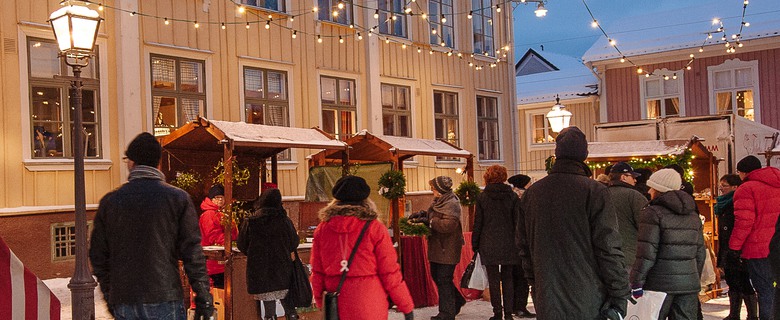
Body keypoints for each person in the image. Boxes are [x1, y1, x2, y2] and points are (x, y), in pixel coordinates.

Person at [89, 132, 213, 320]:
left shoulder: (110, 202)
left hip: (125, 299)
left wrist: (110, 295)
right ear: (158, 163)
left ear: (132, 163)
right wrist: (203, 296)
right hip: (165, 296)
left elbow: (98, 256)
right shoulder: (177, 199)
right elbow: (192, 252)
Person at [517, 126, 629, 319]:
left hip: (548, 295)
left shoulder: (533, 193)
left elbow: (523, 246)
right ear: (584, 154)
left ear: (557, 154)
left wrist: (535, 283)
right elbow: (608, 246)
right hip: (588, 296)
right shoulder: (594, 191)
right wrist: (619, 293)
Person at [310, 175, 414, 320]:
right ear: (365, 200)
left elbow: (317, 272)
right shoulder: (374, 228)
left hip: (337, 304)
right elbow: (390, 272)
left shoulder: (322, 229)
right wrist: (406, 306)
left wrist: (323, 304)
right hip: (369, 304)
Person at [629, 168, 705, 320]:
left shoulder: (652, 213)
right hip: (688, 285)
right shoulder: (692, 215)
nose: (649, 190)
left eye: (652, 187)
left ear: (659, 189)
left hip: (659, 284)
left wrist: (637, 282)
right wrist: (692, 277)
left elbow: (646, 252)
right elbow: (700, 253)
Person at [729, 155, 780, 320]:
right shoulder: (777, 184)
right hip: (777, 245)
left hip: (759, 248)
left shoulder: (746, 189)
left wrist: (734, 248)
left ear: (743, 172)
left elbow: (744, 222)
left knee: (765, 291)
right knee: (775, 289)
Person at [238, 188, 300, 320]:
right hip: (283, 269)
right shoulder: (284, 220)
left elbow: (242, 244)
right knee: (289, 305)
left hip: (260, 271)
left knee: (269, 308)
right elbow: (294, 242)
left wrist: (255, 254)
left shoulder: (251, 222)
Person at [409, 176, 466, 320]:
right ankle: (457, 301)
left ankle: (446, 313)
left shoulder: (452, 203)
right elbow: (433, 215)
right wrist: (423, 214)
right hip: (437, 246)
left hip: (448, 247)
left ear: (440, 189)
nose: (432, 190)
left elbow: (448, 225)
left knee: (444, 278)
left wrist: (430, 221)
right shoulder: (439, 201)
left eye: (434, 188)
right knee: (437, 275)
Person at [473, 165, 521, 320]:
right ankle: (508, 313)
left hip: (489, 242)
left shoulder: (482, 197)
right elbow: (517, 221)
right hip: (509, 242)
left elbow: (478, 223)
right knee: (508, 278)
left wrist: (475, 244)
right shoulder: (512, 196)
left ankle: (497, 313)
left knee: (493, 279)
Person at [715, 174, 757, 320]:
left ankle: (752, 315)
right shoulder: (722, 204)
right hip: (727, 248)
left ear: (735, 187)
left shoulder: (737, 201)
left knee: (743, 281)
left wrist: (736, 248)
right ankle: (734, 314)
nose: (721, 188)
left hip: (738, 249)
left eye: (724, 185)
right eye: (720, 185)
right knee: (732, 281)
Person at [607, 162, 648, 270]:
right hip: (629, 256)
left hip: (605, 256)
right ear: (623, 177)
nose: (635, 180)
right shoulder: (635, 196)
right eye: (633, 176)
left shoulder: (600, 194)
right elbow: (645, 226)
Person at [507, 174, 535, 318]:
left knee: (513, 276)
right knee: (522, 277)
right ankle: (520, 307)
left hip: (510, 244)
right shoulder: (522, 199)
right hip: (520, 244)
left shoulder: (511, 197)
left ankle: (513, 306)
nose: (531, 185)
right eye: (529, 183)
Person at [199, 184, 238, 289]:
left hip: (220, 261)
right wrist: (229, 242)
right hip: (214, 262)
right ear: (212, 199)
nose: (220, 200)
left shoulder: (221, 213)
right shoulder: (209, 214)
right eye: (217, 197)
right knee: (219, 291)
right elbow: (213, 235)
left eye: (222, 197)